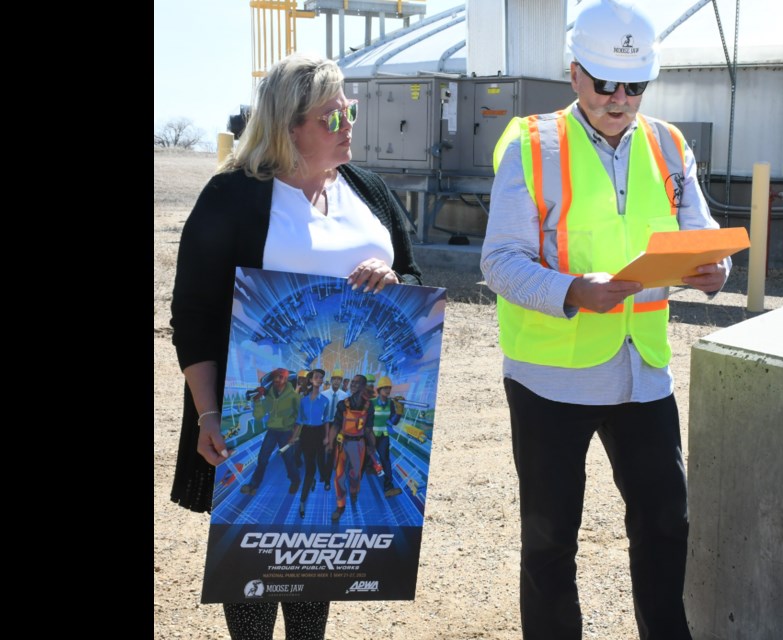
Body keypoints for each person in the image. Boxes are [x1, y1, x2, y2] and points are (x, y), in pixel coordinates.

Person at [479, 2, 730, 638]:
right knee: (550, 542)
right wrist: (568, 290)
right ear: (575, 74)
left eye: (635, 85)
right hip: (549, 379)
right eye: (605, 83)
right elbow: (499, 262)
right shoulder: (532, 145)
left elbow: (698, 233)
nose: (620, 99)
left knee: (666, 523)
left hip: (641, 372)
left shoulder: (670, 145)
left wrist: (713, 270)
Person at [169, 50, 422, 640]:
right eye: (333, 118)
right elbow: (196, 315)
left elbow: (412, 277)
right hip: (253, 410)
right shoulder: (233, 196)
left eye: (349, 112)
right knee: (258, 557)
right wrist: (208, 412)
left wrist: (393, 283)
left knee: (318, 555)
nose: (349, 125)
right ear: (289, 128)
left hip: (346, 414)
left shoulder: (370, 191)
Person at [242, 367, 301, 496]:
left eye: (280, 377)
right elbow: (258, 416)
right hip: (272, 431)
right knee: (262, 459)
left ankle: (295, 481)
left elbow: (301, 418)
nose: (277, 380)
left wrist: (295, 435)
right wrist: (257, 401)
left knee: (289, 459)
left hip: (286, 432)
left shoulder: (294, 397)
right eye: (275, 377)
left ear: (286, 379)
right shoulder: (269, 397)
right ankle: (254, 484)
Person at [330, 374, 376, 522]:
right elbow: (336, 425)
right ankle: (340, 505)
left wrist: (372, 446)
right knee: (339, 476)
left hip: (359, 444)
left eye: (357, 383)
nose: (354, 385)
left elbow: (368, 429)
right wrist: (330, 442)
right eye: (353, 383)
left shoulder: (369, 406)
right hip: (342, 443)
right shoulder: (343, 404)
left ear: (363, 386)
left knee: (355, 475)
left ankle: (354, 491)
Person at [296, 369, 329, 518]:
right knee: (310, 467)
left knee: (316, 463)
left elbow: (327, 420)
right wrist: (294, 436)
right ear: (310, 380)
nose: (319, 380)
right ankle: (304, 499)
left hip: (319, 433)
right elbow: (299, 421)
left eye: (321, 378)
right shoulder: (303, 401)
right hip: (306, 435)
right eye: (317, 377)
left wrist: (327, 436)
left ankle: (305, 497)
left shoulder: (325, 401)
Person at [371, 376, 403, 498]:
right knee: (364, 459)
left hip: (383, 436)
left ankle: (388, 488)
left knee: (385, 460)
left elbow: (393, 422)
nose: (388, 390)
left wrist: (399, 412)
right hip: (371, 436)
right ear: (379, 389)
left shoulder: (391, 404)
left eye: (389, 388)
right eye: (385, 388)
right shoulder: (372, 403)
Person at [318, 369, 349, 491]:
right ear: (331, 381)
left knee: (330, 453)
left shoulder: (344, 396)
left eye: (339, 379)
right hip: (323, 425)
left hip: (336, 426)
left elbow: (345, 414)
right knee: (320, 452)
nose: (337, 381)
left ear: (341, 381)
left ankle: (327, 480)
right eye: (334, 379)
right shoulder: (323, 394)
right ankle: (322, 474)